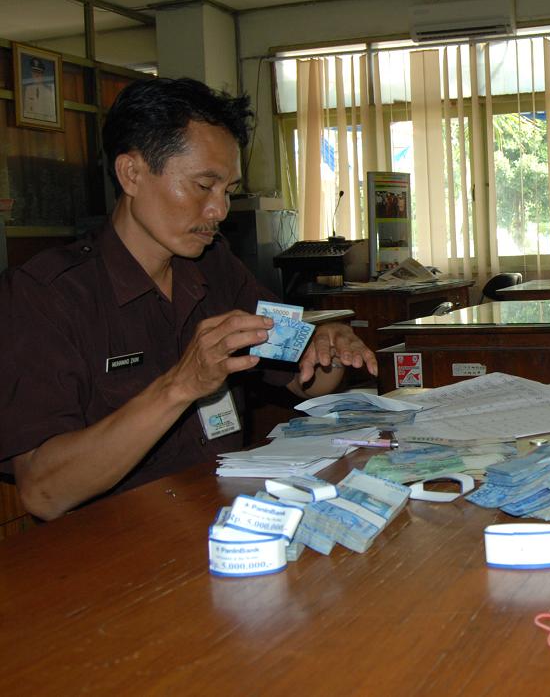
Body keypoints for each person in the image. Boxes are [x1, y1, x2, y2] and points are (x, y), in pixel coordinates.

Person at [0, 77, 378, 522]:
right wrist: (180, 385)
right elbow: (44, 492)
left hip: (224, 520)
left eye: (228, 191)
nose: (219, 210)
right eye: (203, 186)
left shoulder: (215, 266)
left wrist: (326, 351)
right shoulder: (45, 296)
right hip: (113, 551)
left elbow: (302, 382)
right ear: (132, 174)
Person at [21, 57, 56, 122]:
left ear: (42, 74)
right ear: (31, 73)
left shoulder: (48, 92)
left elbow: (51, 114)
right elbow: (24, 111)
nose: (36, 75)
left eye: (39, 73)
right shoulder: (26, 90)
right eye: (34, 72)